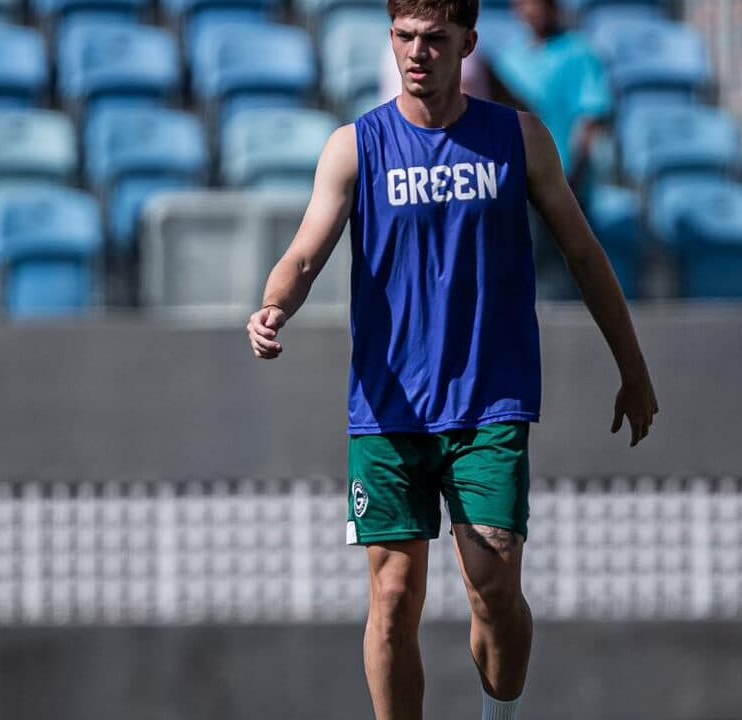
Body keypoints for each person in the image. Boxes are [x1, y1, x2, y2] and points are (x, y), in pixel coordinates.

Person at [245, 0, 658, 717]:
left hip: (487, 402)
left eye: (434, 39)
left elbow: (584, 254)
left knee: (493, 591)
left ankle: (500, 713)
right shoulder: (356, 146)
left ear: (467, 43)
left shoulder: (517, 140)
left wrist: (634, 368)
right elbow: (307, 251)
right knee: (394, 597)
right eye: (404, 37)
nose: (417, 53)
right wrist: (275, 303)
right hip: (387, 409)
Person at [487, 0, 612, 298]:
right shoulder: (510, 58)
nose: (531, 10)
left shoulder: (579, 53)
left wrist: (573, 175)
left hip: (566, 181)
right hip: (520, 183)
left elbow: (591, 118)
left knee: (568, 266)